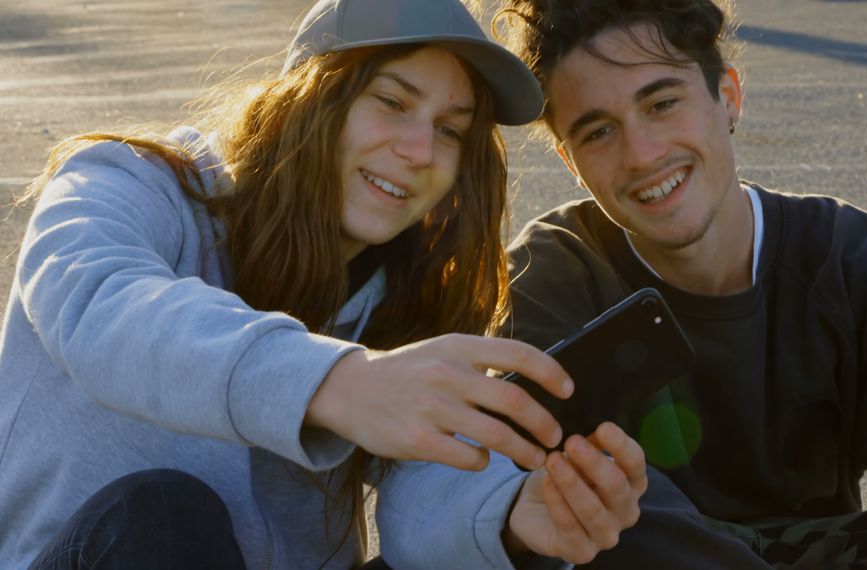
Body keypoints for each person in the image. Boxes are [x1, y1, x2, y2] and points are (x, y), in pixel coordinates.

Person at [375, 0, 867, 568]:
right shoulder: (554, 277)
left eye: (662, 103)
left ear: (729, 98)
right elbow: (596, 511)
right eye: (598, 132)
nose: (643, 154)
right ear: (569, 159)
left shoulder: (843, 259)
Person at [0, 0, 647, 568]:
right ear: (309, 98)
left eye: (449, 129)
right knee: (164, 513)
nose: (420, 150)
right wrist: (336, 382)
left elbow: (425, 502)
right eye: (391, 103)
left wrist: (513, 518)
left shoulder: (403, 297)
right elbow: (96, 304)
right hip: (93, 552)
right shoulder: (125, 184)